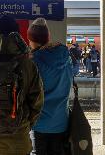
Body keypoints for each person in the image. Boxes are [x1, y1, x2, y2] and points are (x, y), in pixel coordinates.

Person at [0, 15, 44, 155]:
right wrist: (23, 124)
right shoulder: (27, 64)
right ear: (17, 34)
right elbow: (37, 102)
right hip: (18, 142)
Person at [27, 18, 73, 155]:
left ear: (31, 39)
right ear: (47, 38)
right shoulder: (66, 57)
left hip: (39, 124)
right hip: (61, 123)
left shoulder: (33, 61)